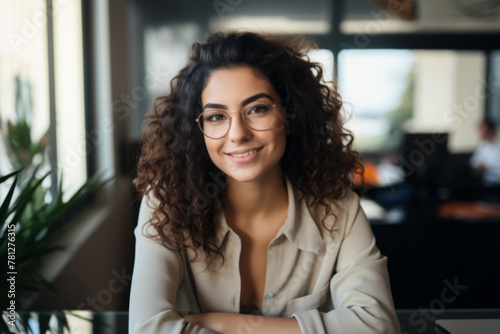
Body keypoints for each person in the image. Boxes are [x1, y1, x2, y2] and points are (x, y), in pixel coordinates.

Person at [130, 31, 400, 333]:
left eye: (257, 109)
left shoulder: (339, 208)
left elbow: (378, 327)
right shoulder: (165, 203)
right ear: (199, 129)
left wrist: (221, 323)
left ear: (289, 114)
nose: (238, 134)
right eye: (217, 116)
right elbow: (147, 329)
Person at [470, 120, 500, 186]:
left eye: (485, 134)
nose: (482, 137)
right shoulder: (483, 144)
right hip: (487, 184)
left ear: (493, 131)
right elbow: (474, 161)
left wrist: (487, 168)